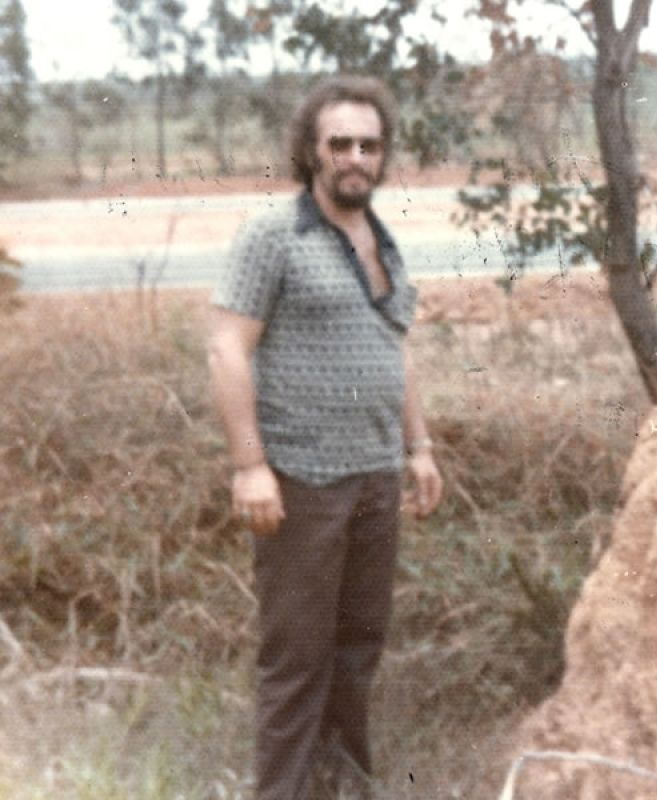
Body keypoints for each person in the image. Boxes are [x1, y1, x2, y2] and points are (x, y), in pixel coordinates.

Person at [206, 75, 443, 799]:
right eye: (339, 143)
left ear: (383, 156)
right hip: (302, 482)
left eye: (369, 145)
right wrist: (250, 466)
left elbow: (393, 348)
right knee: (297, 662)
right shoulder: (273, 236)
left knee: (356, 654)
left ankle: (343, 790)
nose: (355, 157)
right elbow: (225, 348)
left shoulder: (384, 241)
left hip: (375, 480)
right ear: (311, 151)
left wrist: (420, 447)